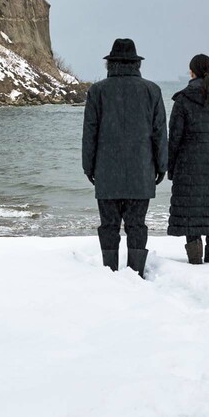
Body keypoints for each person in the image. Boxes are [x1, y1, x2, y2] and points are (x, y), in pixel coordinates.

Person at [82, 38, 168, 277]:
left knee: (108, 224)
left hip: (106, 169)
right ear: (136, 64)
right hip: (141, 170)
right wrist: (162, 166)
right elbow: (159, 132)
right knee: (136, 224)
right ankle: (136, 273)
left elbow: (90, 132)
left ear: (110, 64)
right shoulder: (152, 90)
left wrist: (88, 167)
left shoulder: (97, 91)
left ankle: (110, 272)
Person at [167, 54, 209, 264]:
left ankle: (195, 260)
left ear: (191, 72)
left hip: (189, 163)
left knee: (190, 211)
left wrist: (172, 167)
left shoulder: (184, 99)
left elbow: (175, 137)